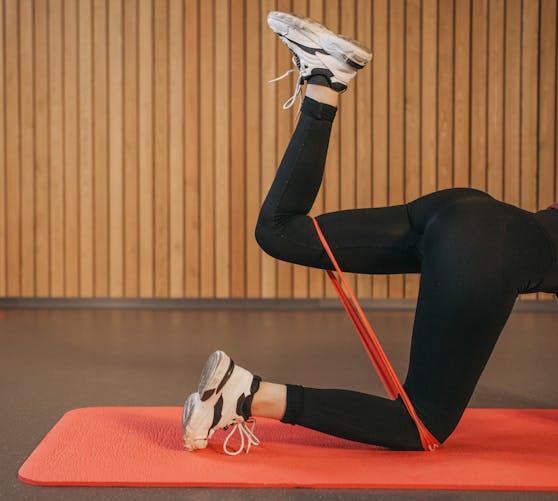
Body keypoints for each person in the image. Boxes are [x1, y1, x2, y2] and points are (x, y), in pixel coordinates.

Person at [181, 11, 558, 454]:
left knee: (281, 232)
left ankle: (325, 79)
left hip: (462, 210)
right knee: (420, 426)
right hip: (483, 250)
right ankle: (244, 394)